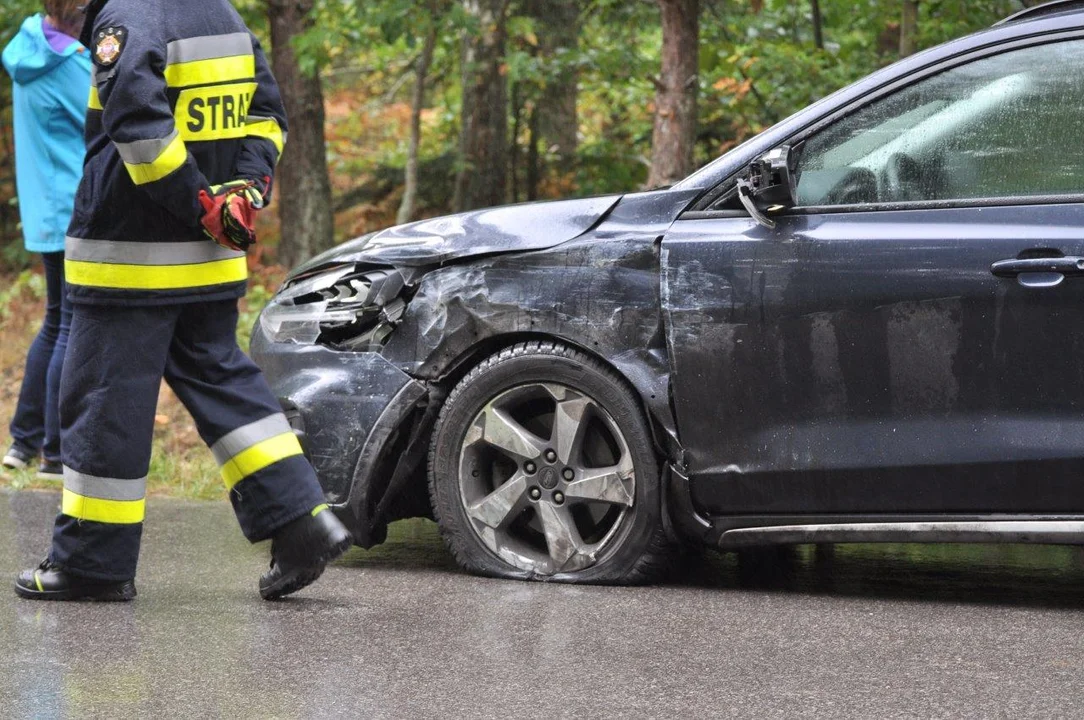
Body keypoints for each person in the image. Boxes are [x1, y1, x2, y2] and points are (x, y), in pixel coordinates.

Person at [14, 0, 353, 602]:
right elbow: (267, 118)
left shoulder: (129, 19)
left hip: (130, 259)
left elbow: (142, 135)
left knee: (104, 401)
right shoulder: (223, 15)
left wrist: (200, 203)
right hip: (211, 257)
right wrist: (242, 194)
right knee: (224, 383)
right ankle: (303, 521)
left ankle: (92, 563)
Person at [1, 1, 90, 481]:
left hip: (44, 206)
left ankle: (23, 442)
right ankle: (55, 452)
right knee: (71, 324)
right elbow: (104, 118)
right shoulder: (70, 62)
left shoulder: (27, 49)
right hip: (74, 205)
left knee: (56, 320)